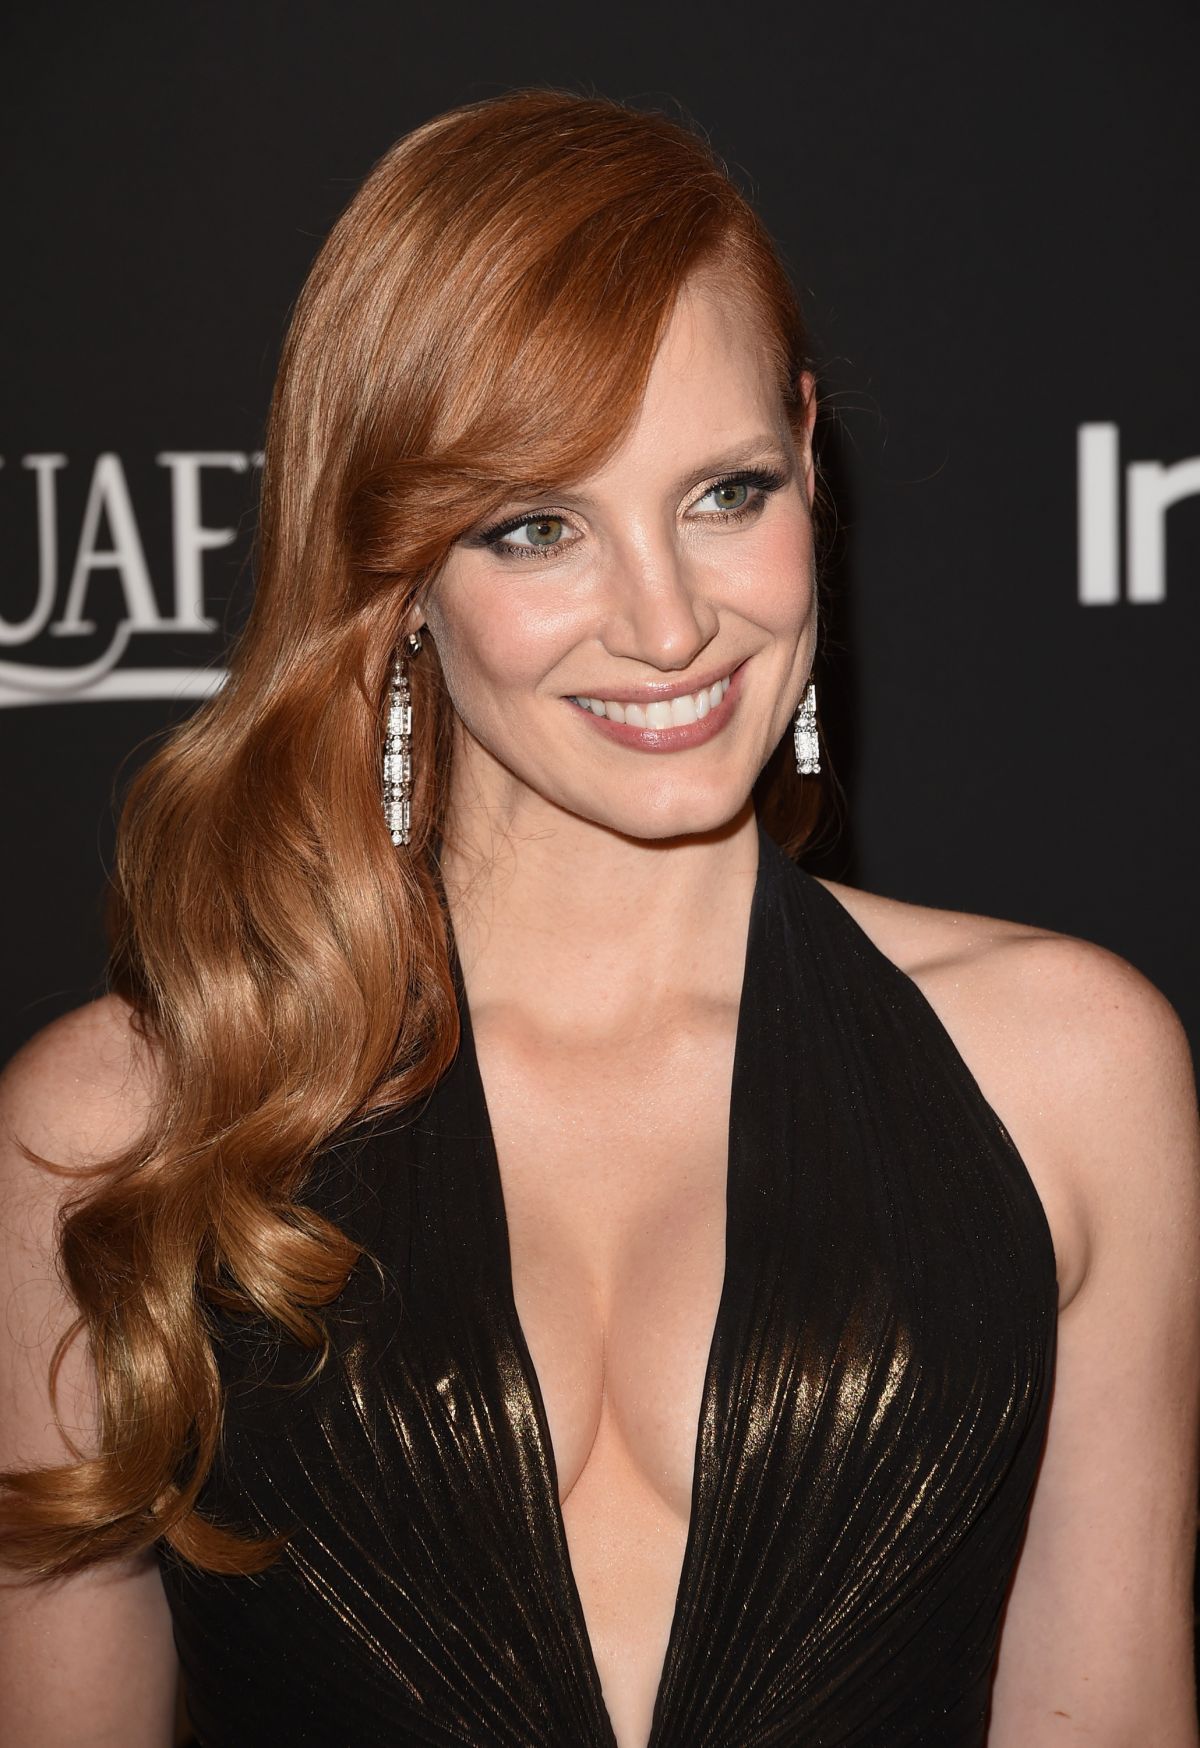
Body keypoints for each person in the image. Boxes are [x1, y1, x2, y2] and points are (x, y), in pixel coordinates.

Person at [1, 86, 1198, 1748]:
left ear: (807, 455)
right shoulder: (114, 1131)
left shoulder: (1070, 1073)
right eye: (537, 526)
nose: (668, 620)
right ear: (395, 568)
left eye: (726, 494)